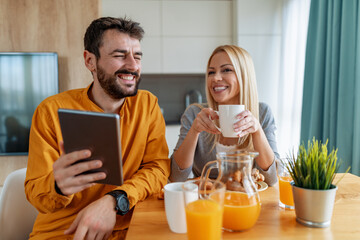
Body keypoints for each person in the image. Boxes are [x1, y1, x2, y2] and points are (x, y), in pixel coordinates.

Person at [25, 17, 170, 240]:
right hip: (66, 233)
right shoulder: (51, 111)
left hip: (129, 229)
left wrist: (115, 200)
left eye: (137, 56)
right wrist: (57, 185)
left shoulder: (147, 104)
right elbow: (36, 194)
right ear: (90, 60)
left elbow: (158, 167)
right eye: (120, 55)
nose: (133, 65)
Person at [169, 45, 279, 186]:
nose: (216, 78)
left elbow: (272, 179)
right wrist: (194, 131)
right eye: (211, 72)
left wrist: (257, 132)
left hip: (247, 201)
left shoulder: (262, 113)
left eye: (226, 70)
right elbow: (176, 177)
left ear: (244, 75)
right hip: (208, 201)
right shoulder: (195, 114)